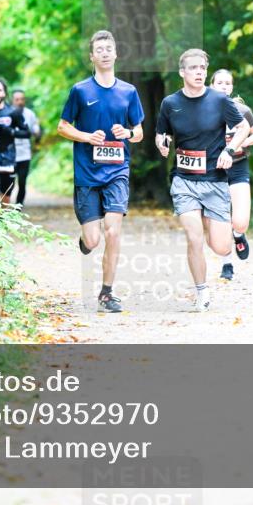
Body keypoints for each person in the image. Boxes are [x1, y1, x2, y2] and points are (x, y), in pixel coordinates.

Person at [155, 49, 250, 312]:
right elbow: (161, 133)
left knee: (219, 247)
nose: (198, 72)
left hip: (215, 181)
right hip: (184, 181)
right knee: (194, 237)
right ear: (182, 72)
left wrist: (229, 151)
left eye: (202, 68)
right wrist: (162, 144)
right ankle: (201, 291)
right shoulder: (170, 103)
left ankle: (228, 232)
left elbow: (243, 128)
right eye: (193, 68)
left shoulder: (220, 101)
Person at [57, 30, 144, 314]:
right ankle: (85, 240)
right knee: (93, 240)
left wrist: (127, 132)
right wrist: (86, 137)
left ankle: (106, 293)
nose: (105, 52)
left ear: (116, 54)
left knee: (113, 232)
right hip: (87, 173)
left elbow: (140, 132)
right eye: (100, 49)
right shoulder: (80, 91)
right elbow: (63, 127)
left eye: (109, 48)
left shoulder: (128, 91)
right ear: (92, 56)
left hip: (118, 171)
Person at [210, 69, 253, 280]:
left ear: (231, 87)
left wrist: (242, 142)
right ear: (211, 85)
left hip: (238, 167)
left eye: (227, 83)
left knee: (239, 221)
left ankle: (239, 235)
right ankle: (227, 263)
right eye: (219, 82)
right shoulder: (204, 111)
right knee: (221, 219)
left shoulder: (243, 110)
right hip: (214, 170)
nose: (223, 86)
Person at [0, 78, 30, 204]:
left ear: (4, 93)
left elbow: (27, 133)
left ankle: (4, 222)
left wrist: (12, 132)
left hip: (8, 159)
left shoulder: (13, 113)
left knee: (5, 198)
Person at [11, 89, 42, 206]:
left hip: (25, 154)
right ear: (12, 100)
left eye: (22, 99)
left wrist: (37, 132)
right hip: (10, 154)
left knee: (22, 182)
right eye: (17, 99)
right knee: (9, 182)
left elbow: (35, 130)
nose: (20, 102)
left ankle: (18, 207)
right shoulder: (7, 113)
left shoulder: (30, 114)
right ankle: (6, 205)